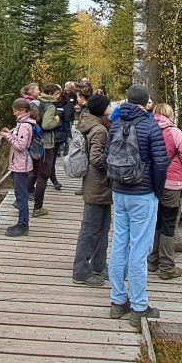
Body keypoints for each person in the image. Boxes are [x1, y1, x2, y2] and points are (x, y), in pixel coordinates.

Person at [106, 84, 168, 328]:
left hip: (119, 193)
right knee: (140, 250)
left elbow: (108, 156)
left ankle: (117, 301)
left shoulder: (116, 124)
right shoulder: (150, 126)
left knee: (119, 243)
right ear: (147, 103)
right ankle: (139, 306)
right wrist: (157, 192)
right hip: (142, 194)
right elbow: (160, 164)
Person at [147, 103, 182, 280]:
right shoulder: (174, 132)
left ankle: (152, 260)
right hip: (172, 184)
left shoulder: (148, 130)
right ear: (169, 115)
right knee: (168, 223)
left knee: (156, 220)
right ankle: (166, 266)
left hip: (151, 183)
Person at [72, 94, 112, 286]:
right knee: (90, 229)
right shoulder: (99, 130)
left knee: (103, 227)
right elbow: (96, 159)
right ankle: (81, 270)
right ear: (102, 110)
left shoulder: (89, 124)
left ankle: (98, 264)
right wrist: (116, 161)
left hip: (97, 185)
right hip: (98, 185)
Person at [1, 98, 35, 237]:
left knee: (21, 196)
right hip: (20, 164)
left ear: (22, 111)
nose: (14, 113)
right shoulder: (22, 124)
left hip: (21, 166)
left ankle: (23, 225)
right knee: (20, 195)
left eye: (15, 111)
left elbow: (21, 146)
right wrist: (11, 133)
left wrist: (8, 136)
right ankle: (21, 223)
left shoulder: (25, 125)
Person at [32, 83, 62, 215]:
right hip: (46, 144)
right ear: (50, 94)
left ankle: (19, 198)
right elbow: (46, 125)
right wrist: (57, 120)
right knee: (43, 176)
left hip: (34, 143)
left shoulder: (36, 103)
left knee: (33, 173)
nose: (58, 97)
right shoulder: (50, 106)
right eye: (57, 94)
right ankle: (38, 208)